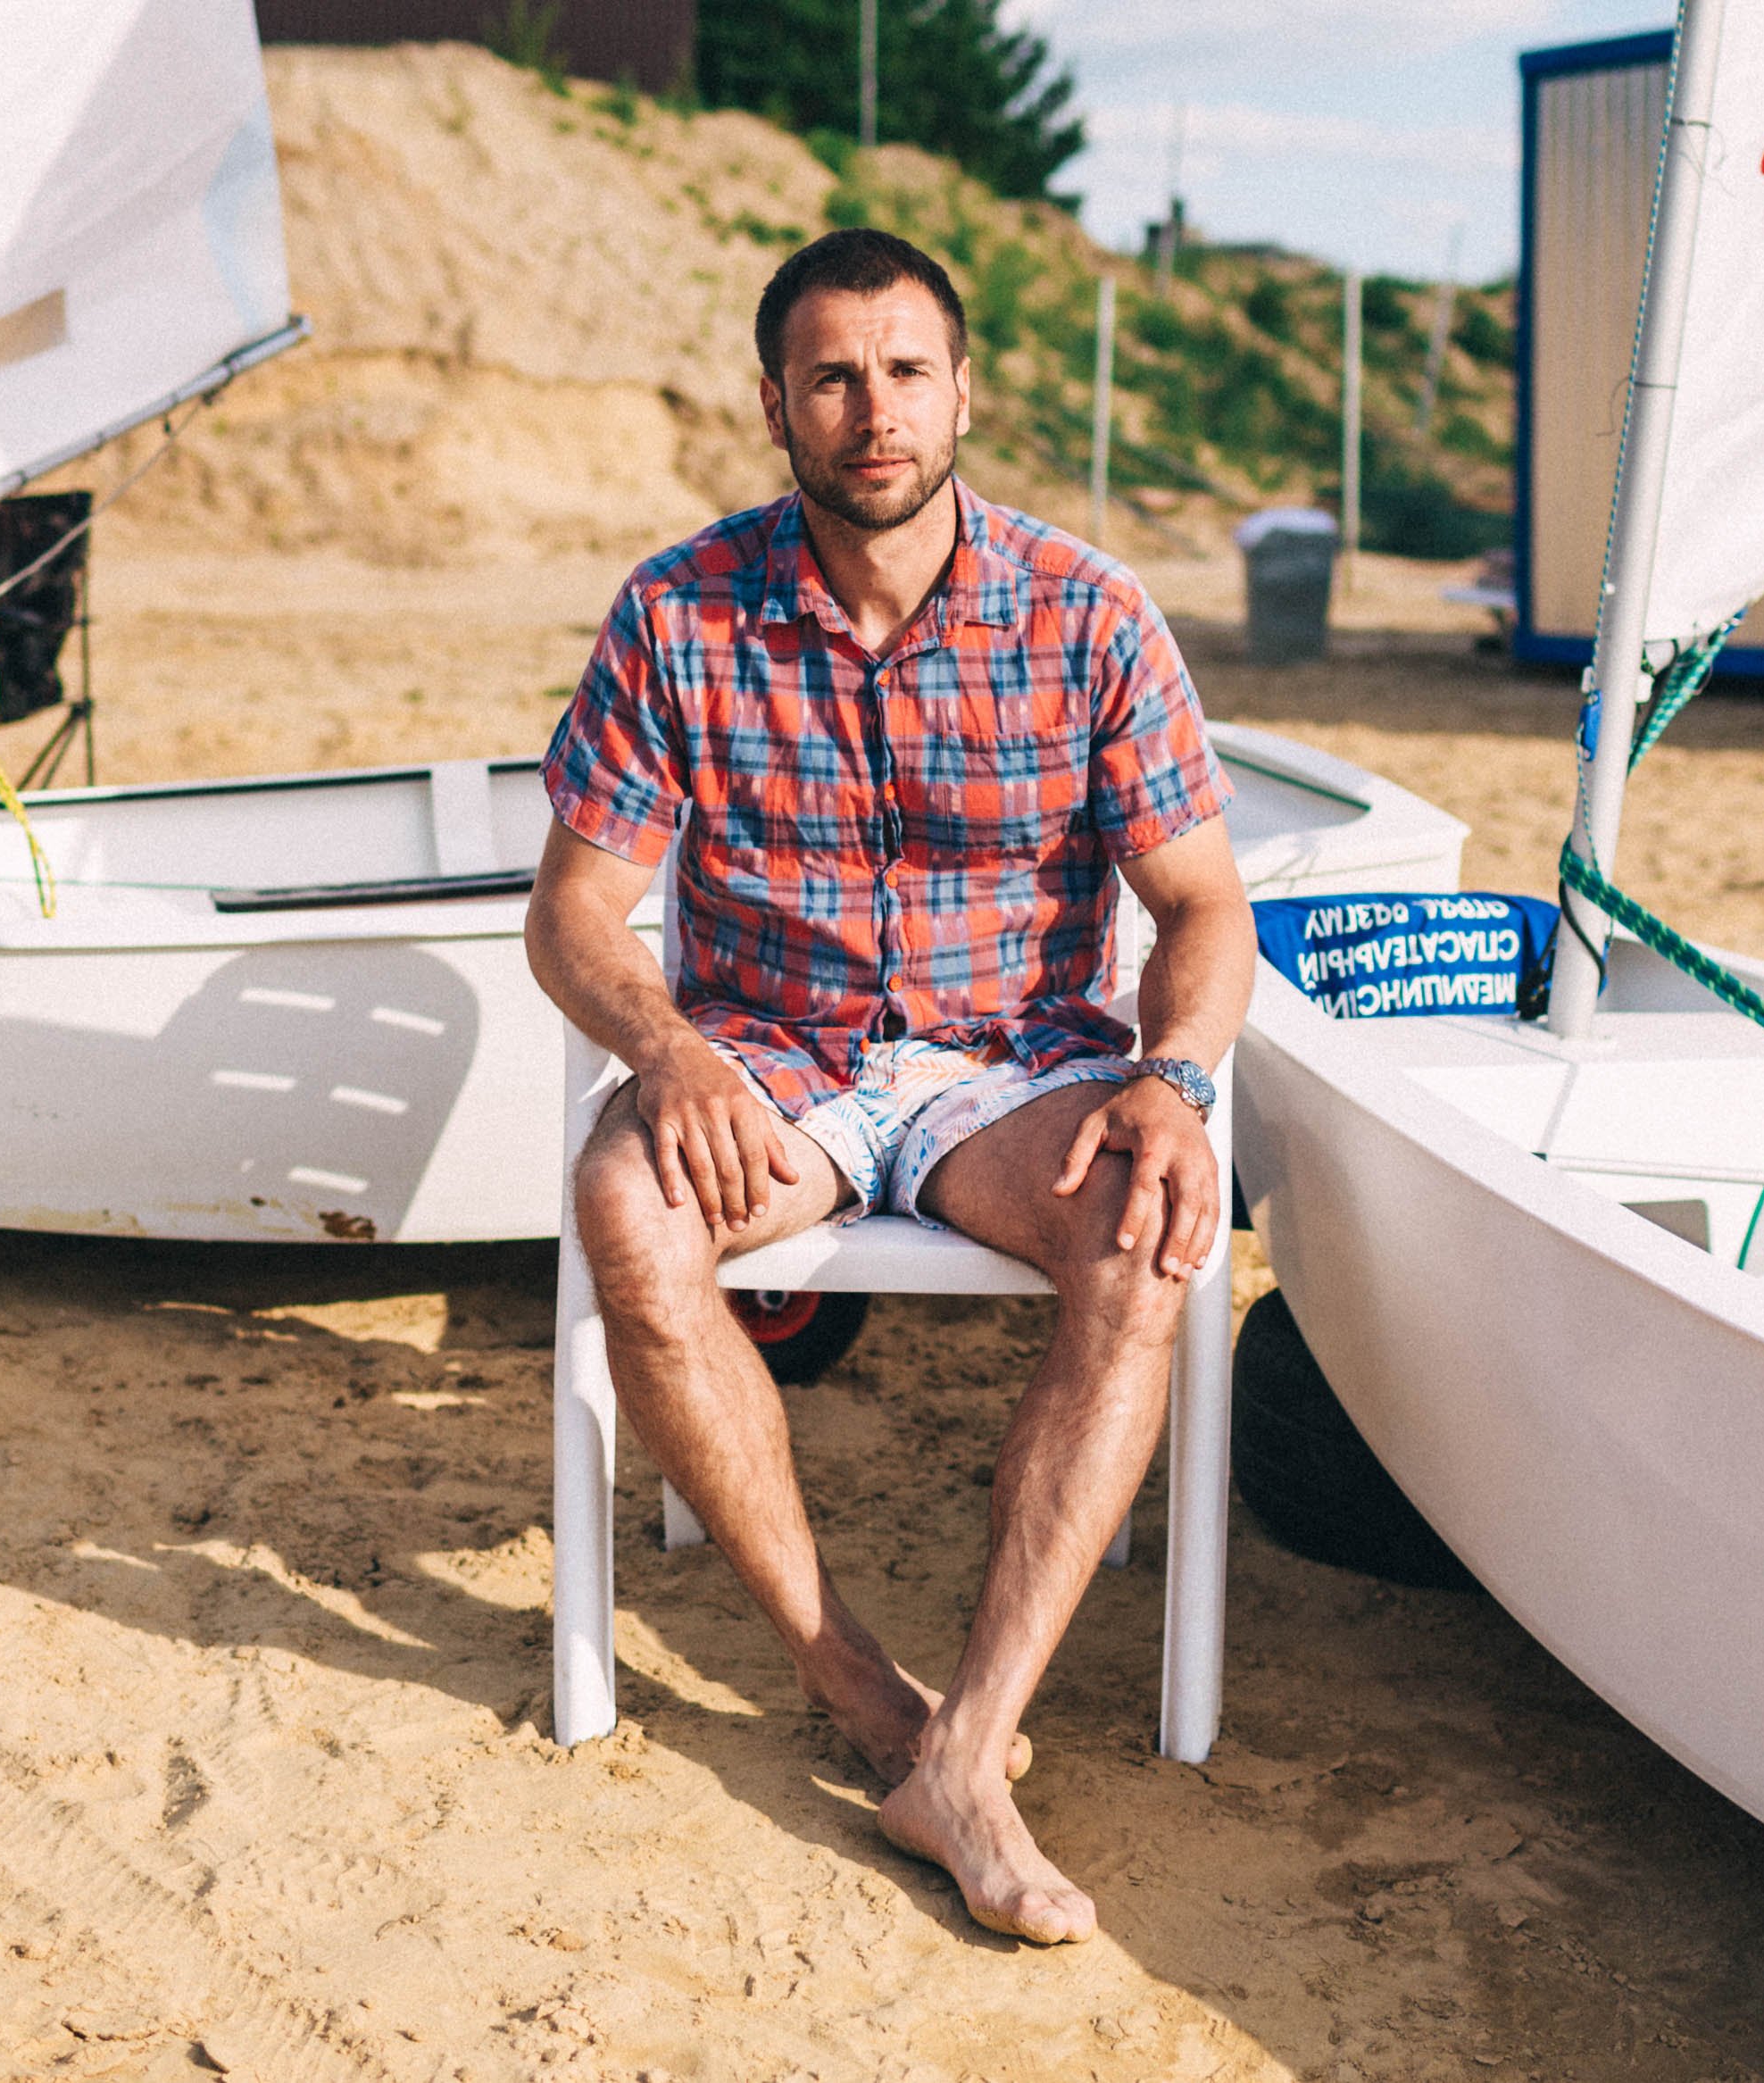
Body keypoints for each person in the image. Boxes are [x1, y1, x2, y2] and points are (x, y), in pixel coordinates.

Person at [524, 227, 1252, 1946]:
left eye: (907, 370)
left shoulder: (1087, 611)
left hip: (1009, 1065)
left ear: (964, 390)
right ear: (775, 400)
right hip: (770, 1055)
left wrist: (1173, 1079)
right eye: (834, 376)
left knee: (1151, 1228)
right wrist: (668, 1047)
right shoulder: (683, 610)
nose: (875, 411)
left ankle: (968, 1750)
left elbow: (1205, 903)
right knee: (627, 1203)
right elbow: (570, 907)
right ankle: (862, 1690)